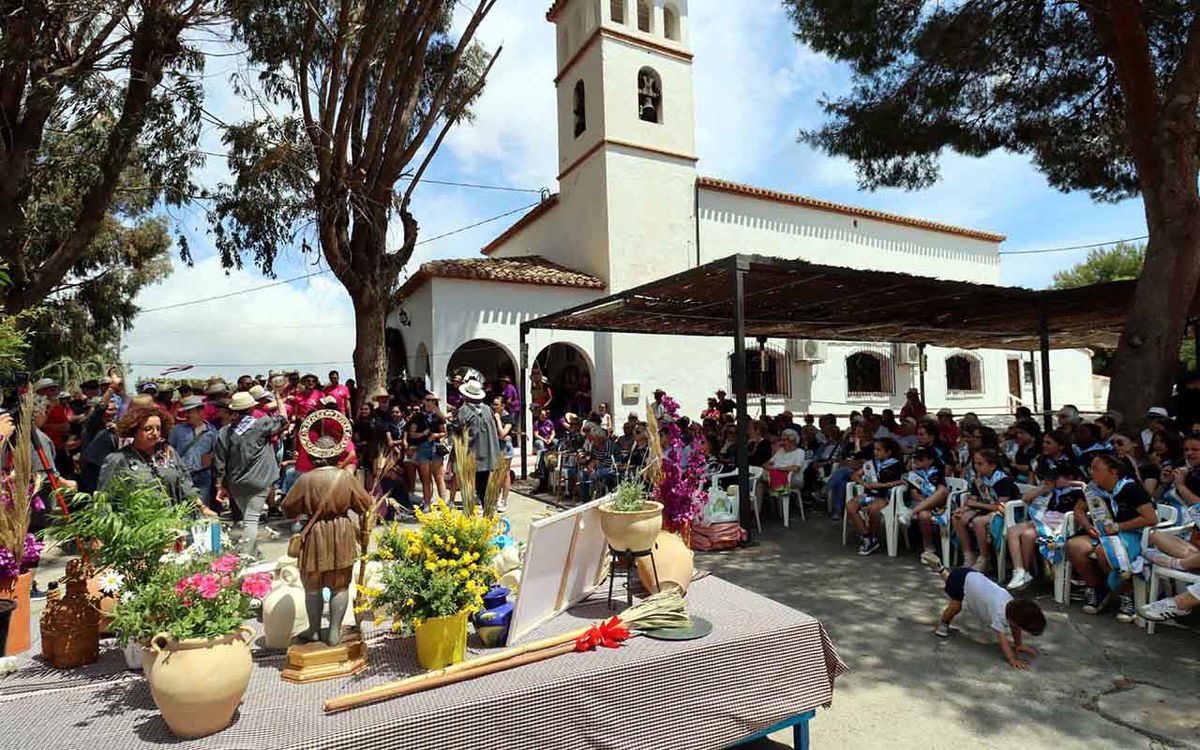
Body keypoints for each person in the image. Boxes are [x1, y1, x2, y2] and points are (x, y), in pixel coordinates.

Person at [281, 436, 373, 647]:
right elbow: (366, 504)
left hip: (313, 534)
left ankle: (313, 629)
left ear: (313, 456)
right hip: (341, 532)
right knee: (339, 585)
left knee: (312, 585)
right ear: (336, 454)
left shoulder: (305, 479)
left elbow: (288, 508)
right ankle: (333, 631)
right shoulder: (345, 478)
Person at [1066, 453, 1158, 622]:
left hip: (1131, 533)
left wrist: (1118, 527)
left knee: (1105, 552)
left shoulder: (1130, 488)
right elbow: (1078, 509)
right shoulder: (1094, 488)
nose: (1091, 472)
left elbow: (1150, 518)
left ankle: (1126, 595)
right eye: (1091, 468)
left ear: (1113, 472)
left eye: (1096, 469)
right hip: (1103, 532)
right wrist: (1087, 526)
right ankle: (1097, 589)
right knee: (1075, 546)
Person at [919, 555, 1046, 670]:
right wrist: (1012, 659)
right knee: (955, 606)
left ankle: (940, 568)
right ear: (1015, 620)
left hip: (972, 576)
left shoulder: (1011, 603)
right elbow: (1003, 640)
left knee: (952, 582)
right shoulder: (999, 613)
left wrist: (1018, 644)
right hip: (963, 579)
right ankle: (944, 623)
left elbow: (1015, 627)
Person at [97, 404, 211, 516]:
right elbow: (104, 499)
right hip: (138, 528)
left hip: (174, 524)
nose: (155, 433)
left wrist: (203, 508)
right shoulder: (118, 459)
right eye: (148, 429)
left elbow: (184, 483)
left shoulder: (168, 453)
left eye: (158, 428)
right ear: (134, 430)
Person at [215, 391, 287, 558]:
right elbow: (283, 420)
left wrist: (220, 485)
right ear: (252, 408)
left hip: (236, 484)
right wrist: (279, 399)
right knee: (251, 520)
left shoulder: (224, 432)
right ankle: (246, 555)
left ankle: (254, 552)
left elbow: (219, 462)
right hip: (259, 481)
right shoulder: (261, 425)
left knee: (248, 517)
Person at [1004, 464, 1086, 590]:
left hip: (1061, 525)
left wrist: (1071, 483)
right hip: (1044, 519)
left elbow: (1085, 490)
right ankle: (1020, 571)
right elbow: (1026, 499)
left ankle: (1025, 572)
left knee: (1028, 535)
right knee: (1013, 530)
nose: (1058, 481)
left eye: (1062, 478)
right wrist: (1043, 487)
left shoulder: (1079, 491)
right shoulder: (1051, 490)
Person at [953, 448, 1017, 572]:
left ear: (992, 465)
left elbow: (1001, 506)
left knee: (978, 522)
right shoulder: (979, 479)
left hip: (1005, 513)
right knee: (958, 517)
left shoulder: (1003, 480)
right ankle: (968, 555)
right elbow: (972, 499)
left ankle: (984, 557)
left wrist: (977, 504)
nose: (976, 467)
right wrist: (963, 509)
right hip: (986, 508)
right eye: (975, 463)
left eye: (980, 464)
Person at [1143, 432, 1200, 573]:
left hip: (1190, 524)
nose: (1189, 453)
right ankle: (1193, 562)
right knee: (1155, 536)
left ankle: (1181, 564)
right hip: (1194, 538)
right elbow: (1153, 499)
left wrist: (1181, 485)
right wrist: (1164, 484)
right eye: (1186, 450)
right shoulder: (1182, 467)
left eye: (1195, 450)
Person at [846, 437, 905, 555]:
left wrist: (883, 484)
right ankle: (866, 537)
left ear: (888, 452)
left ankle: (873, 537)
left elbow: (899, 483)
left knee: (874, 508)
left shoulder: (896, 465)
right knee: (851, 506)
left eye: (879, 450)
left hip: (885, 496)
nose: (875, 452)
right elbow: (855, 476)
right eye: (874, 449)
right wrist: (864, 483)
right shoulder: (871, 464)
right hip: (870, 495)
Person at [169, 395, 219, 512]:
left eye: (190, 412)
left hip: (203, 476)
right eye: (186, 412)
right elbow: (170, 451)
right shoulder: (177, 430)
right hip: (182, 476)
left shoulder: (211, 431)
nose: (187, 415)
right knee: (183, 509)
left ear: (200, 411)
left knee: (203, 508)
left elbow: (216, 452)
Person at [899, 447, 950, 558]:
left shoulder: (936, 472)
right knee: (923, 515)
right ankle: (929, 546)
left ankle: (910, 514)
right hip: (920, 503)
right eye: (915, 459)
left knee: (943, 490)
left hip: (938, 503)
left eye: (920, 459)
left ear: (930, 461)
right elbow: (914, 494)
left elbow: (942, 491)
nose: (916, 461)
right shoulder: (913, 475)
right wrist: (928, 502)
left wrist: (932, 501)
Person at [455, 380, 499, 505]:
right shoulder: (488, 409)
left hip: (471, 457)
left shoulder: (464, 410)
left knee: (471, 489)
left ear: (467, 396)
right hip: (488, 457)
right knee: (484, 490)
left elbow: (457, 430)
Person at [409, 392, 448, 508]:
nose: (430, 402)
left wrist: (435, 436)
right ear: (424, 401)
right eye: (428, 400)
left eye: (433, 400)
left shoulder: (439, 416)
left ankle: (443, 503)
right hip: (423, 447)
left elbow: (444, 433)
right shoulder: (418, 417)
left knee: (438, 476)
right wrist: (422, 434)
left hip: (435, 447)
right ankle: (427, 502)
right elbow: (412, 434)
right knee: (425, 477)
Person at [492, 396, 514, 510]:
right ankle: (494, 498)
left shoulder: (508, 418)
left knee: (505, 474)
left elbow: (502, 434)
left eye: (497, 404)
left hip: (505, 448)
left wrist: (498, 420)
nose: (494, 407)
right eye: (494, 404)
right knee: (494, 474)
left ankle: (504, 501)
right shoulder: (492, 416)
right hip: (495, 447)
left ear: (503, 406)